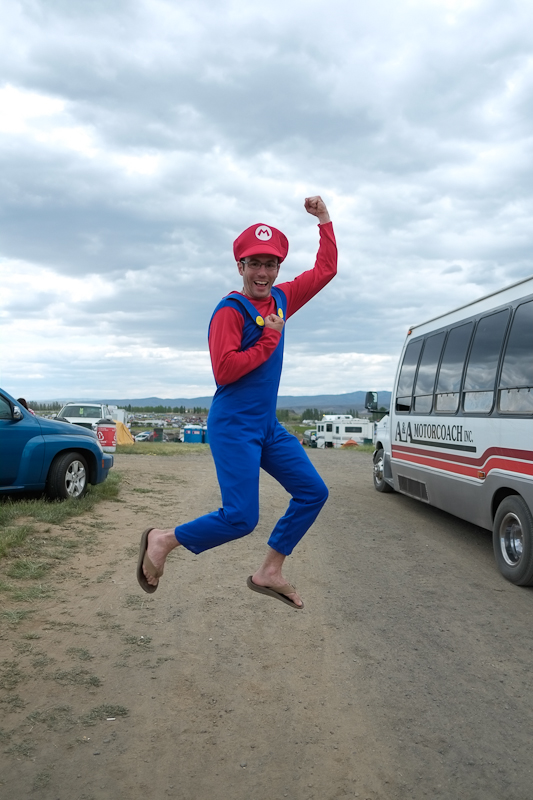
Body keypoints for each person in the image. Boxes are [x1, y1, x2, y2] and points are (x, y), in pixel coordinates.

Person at [137, 196, 337, 609]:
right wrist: (269, 338)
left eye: (271, 264)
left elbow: (325, 270)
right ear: (240, 267)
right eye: (255, 264)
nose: (263, 273)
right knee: (241, 517)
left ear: (278, 267)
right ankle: (162, 540)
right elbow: (225, 371)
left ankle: (270, 571)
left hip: (266, 425)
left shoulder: (281, 299)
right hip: (233, 425)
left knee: (313, 491)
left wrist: (324, 220)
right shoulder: (230, 311)